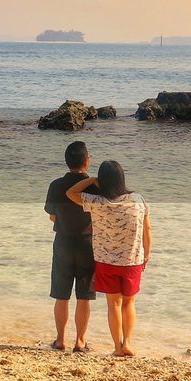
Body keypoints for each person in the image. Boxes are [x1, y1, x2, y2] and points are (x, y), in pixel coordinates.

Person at [66, 161, 150, 357]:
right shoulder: (138, 200)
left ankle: (117, 348)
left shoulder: (97, 202)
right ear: (122, 178)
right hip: (132, 261)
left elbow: (70, 193)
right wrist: (147, 252)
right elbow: (147, 228)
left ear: (103, 180)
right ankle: (127, 343)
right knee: (129, 302)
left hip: (105, 261)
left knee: (113, 304)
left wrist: (91, 180)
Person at [43, 141, 97, 352]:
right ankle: (80, 342)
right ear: (87, 161)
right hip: (87, 243)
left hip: (63, 242)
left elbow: (52, 216)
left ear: (67, 162)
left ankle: (60, 340)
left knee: (61, 295)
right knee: (84, 295)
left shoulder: (55, 185)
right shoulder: (94, 186)